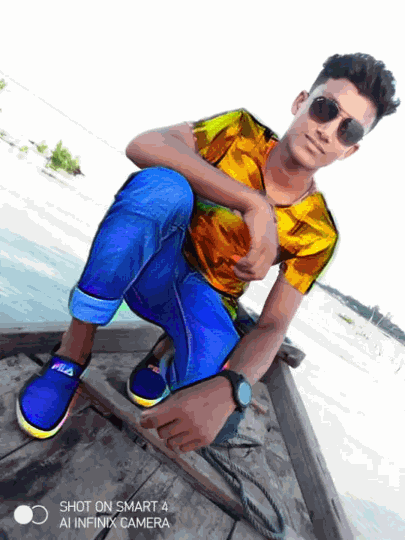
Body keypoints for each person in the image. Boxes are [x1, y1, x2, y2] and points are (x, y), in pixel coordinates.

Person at [17, 53, 399, 453]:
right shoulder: (238, 132)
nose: (327, 131)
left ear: (350, 150)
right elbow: (144, 145)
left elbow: (273, 324)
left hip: (205, 299)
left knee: (217, 415)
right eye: (325, 109)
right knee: (163, 187)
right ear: (301, 102)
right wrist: (253, 203)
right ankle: (72, 354)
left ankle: (164, 353)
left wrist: (233, 385)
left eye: (347, 130)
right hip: (151, 267)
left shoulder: (317, 231)